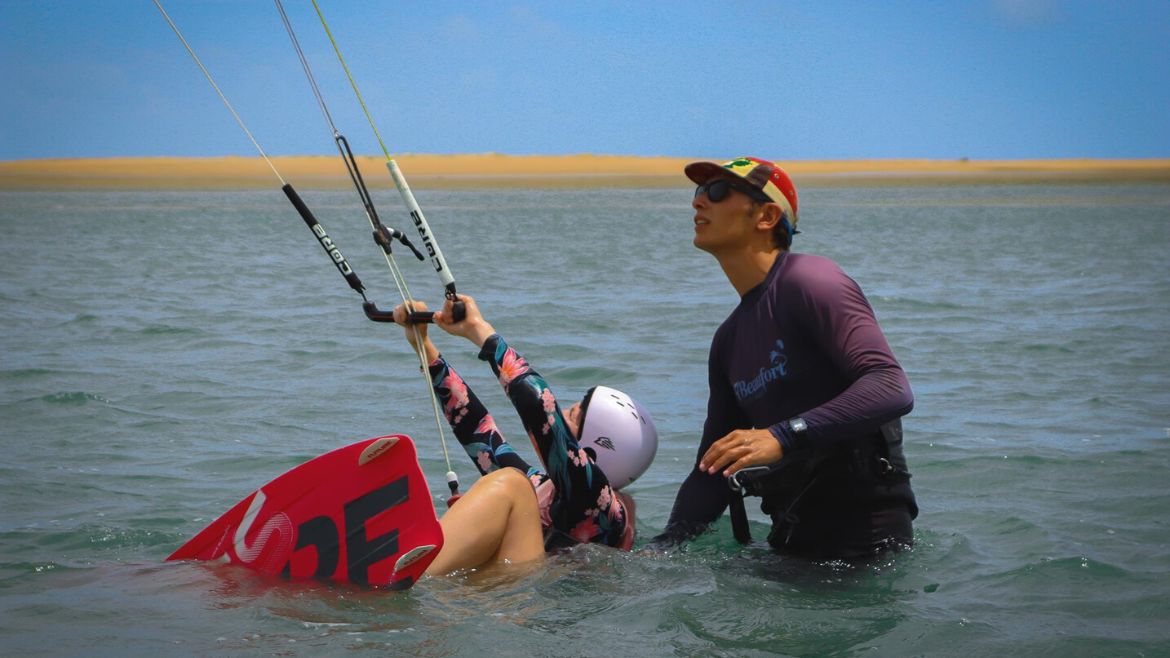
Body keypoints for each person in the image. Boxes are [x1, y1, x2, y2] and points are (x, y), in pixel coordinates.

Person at [654, 156, 917, 559]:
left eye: (717, 192)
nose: (698, 203)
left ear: (767, 215)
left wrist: (782, 435)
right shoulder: (728, 340)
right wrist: (663, 548)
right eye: (698, 192)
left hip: (867, 544)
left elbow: (890, 386)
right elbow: (713, 470)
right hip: (791, 541)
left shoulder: (811, 281)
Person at [390, 295, 658, 575]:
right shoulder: (546, 490)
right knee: (510, 482)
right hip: (502, 592)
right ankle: (404, 565)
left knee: (510, 485)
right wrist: (424, 346)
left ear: (597, 446)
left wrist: (479, 330)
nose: (563, 415)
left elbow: (538, 406)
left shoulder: (599, 505)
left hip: (530, 605)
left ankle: (405, 577)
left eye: (574, 416)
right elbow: (479, 433)